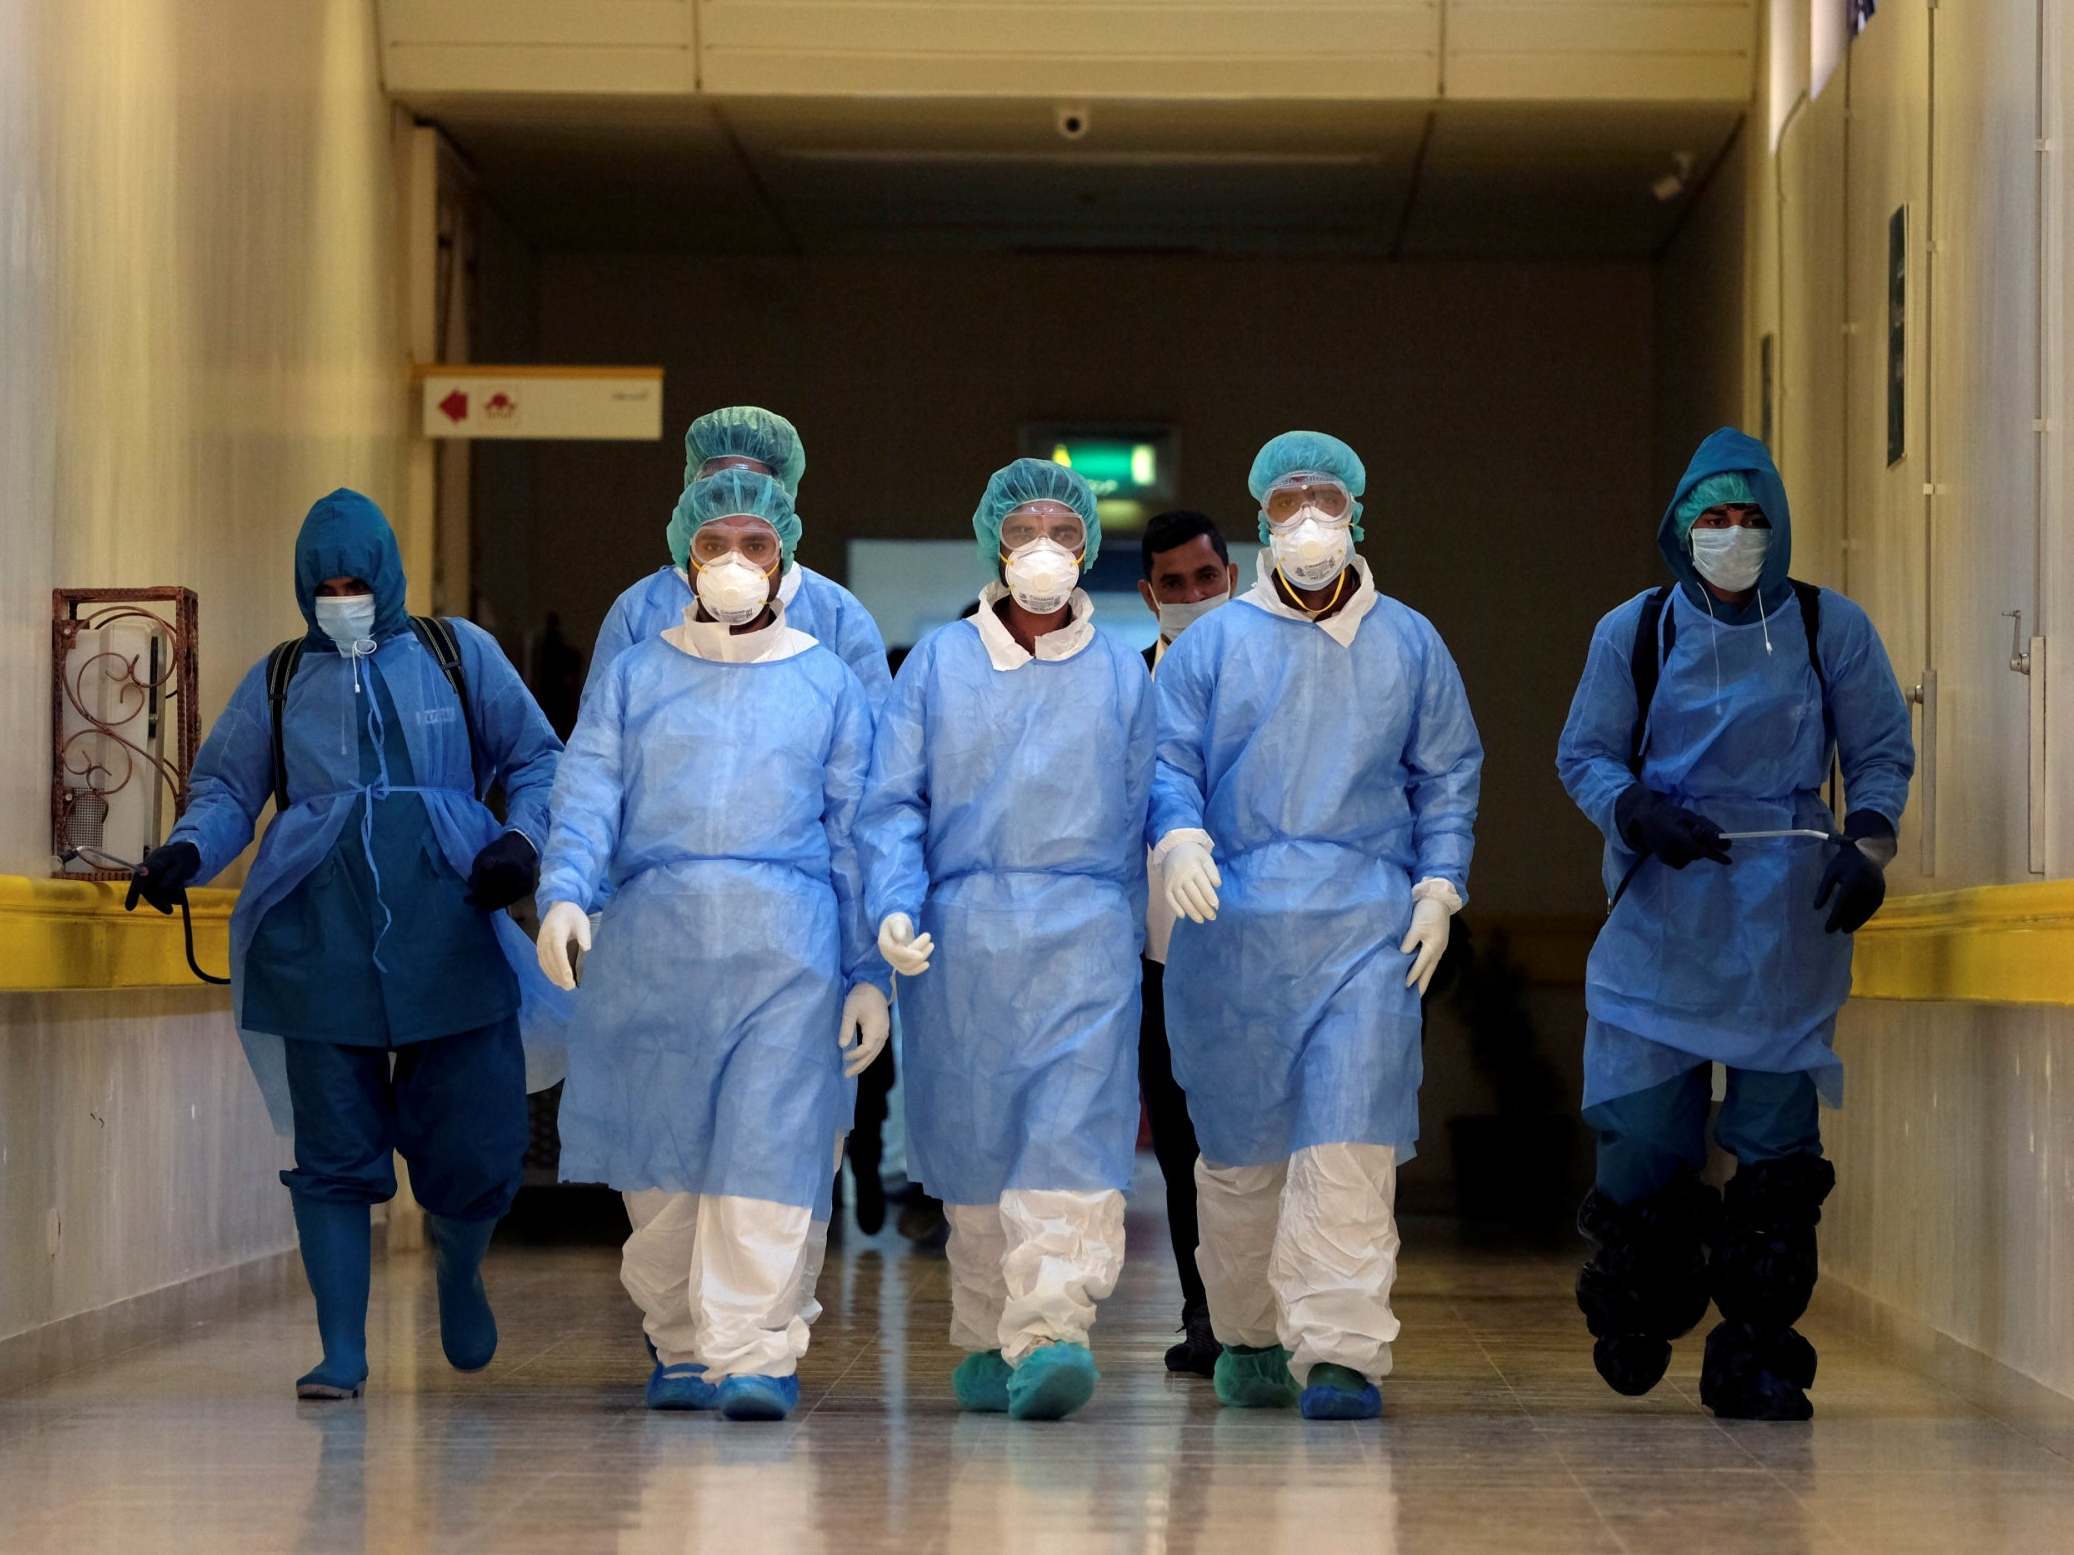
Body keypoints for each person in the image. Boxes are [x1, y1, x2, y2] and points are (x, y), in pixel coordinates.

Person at [125, 489, 566, 1401]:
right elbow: (226, 790)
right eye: (322, 584)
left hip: (451, 923)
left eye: (356, 580)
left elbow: (536, 757)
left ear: (387, 575)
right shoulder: (282, 678)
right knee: (330, 1152)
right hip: (315, 935)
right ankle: (341, 1348)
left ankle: (457, 1262)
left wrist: (520, 842)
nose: (341, 597)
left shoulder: (456, 655)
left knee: (479, 1142)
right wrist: (187, 851)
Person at [1556, 427, 1913, 1420]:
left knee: (1775, 1152)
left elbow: (1879, 747)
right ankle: (1637, 1294)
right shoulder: (1635, 630)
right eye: (1711, 517)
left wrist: (1870, 844)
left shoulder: (1824, 625)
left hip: (1783, 921)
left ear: (1779, 524)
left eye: (1749, 516)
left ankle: (1756, 1347)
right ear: (1678, 527)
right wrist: (1636, 811)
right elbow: (1583, 754)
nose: (1730, 534)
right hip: (1663, 915)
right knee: (1642, 1134)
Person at [535, 468, 890, 1424]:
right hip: (656, 946)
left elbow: (859, 833)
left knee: (770, 1152)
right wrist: (566, 894)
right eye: (715, 545)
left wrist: (866, 972)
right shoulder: (636, 675)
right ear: (683, 554)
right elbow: (588, 795)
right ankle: (683, 1342)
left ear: (786, 559)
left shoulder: (826, 680)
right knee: (663, 1168)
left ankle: (754, 1353)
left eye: (757, 546)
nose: (735, 564)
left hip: (791, 953)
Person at [1149, 431, 1481, 1421]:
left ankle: (1339, 1349)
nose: (1306, 519)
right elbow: (1164, 760)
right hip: (1233, 931)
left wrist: (1438, 887)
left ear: (1356, 515)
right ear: (1260, 521)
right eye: (1287, 501)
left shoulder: (1408, 641)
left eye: (1323, 500)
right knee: (1242, 1156)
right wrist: (1179, 838)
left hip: (1362, 929)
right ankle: (1247, 1331)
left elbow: (1447, 774)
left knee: (1350, 1142)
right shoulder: (1210, 645)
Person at [859, 458, 1151, 1423]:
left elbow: (1162, 793)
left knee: (1069, 1137)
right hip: (963, 947)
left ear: (1088, 548)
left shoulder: (1121, 669)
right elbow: (894, 802)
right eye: (1024, 529)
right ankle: (990, 1331)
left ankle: (1052, 1331)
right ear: (993, 541)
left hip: (1086, 940)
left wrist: (1182, 848)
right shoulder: (940, 664)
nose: (1043, 549)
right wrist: (895, 903)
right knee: (977, 1154)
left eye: (1064, 533)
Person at [583, 404, 891, 710]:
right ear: (693, 495)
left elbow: (868, 740)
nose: (735, 497)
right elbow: (599, 736)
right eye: (717, 489)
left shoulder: (836, 614)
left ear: (780, 501)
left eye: (752, 490)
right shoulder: (639, 610)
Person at [1134, 509, 1240, 1377]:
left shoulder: (1273, 679)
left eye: (1206, 578)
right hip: (1158, 958)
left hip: (1266, 951)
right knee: (1182, 1148)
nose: (1193, 595)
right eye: (1174, 583)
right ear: (1149, 595)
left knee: (1262, 1140)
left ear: (1233, 577)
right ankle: (1205, 1313)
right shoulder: (1125, 689)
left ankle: (1271, 1310)